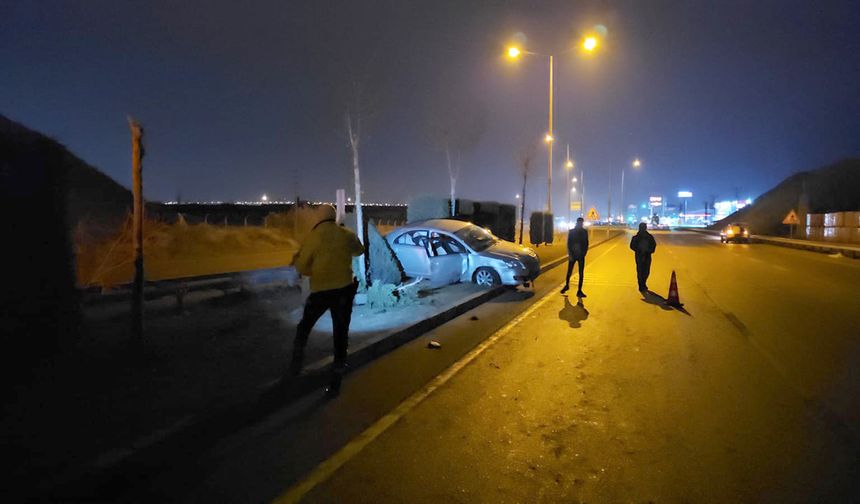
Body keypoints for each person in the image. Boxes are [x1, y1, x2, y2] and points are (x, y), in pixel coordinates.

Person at [289, 205, 365, 397]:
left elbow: (303, 267)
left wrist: (301, 263)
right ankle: (336, 381)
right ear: (334, 217)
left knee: (304, 327)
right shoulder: (345, 233)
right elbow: (360, 251)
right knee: (340, 334)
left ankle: (295, 366)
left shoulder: (313, 237)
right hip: (344, 292)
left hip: (321, 292)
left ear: (319, 218)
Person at [561, 217, 588, 297]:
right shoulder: (572, 231)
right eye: (580, 223)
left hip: (580, 255)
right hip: (574, 254)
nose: (581, 224)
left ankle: (579, 290)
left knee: (580, 273)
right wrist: (571, 254)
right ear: (578, 223)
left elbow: (586, 243)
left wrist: (583, 253)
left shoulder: (583, 232)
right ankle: (567, 285)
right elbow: (569, 244)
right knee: (570, 272)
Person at [629, 222, 657, 292]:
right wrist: (639, 250)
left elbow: (653, 245)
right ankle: (641, 285)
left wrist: (649, 251)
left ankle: (643, 283)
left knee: (646, 271)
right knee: (640, 271)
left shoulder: (649, 237)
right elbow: (632, 246)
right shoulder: (636, 237)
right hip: (639, 256)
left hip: (647, 256)